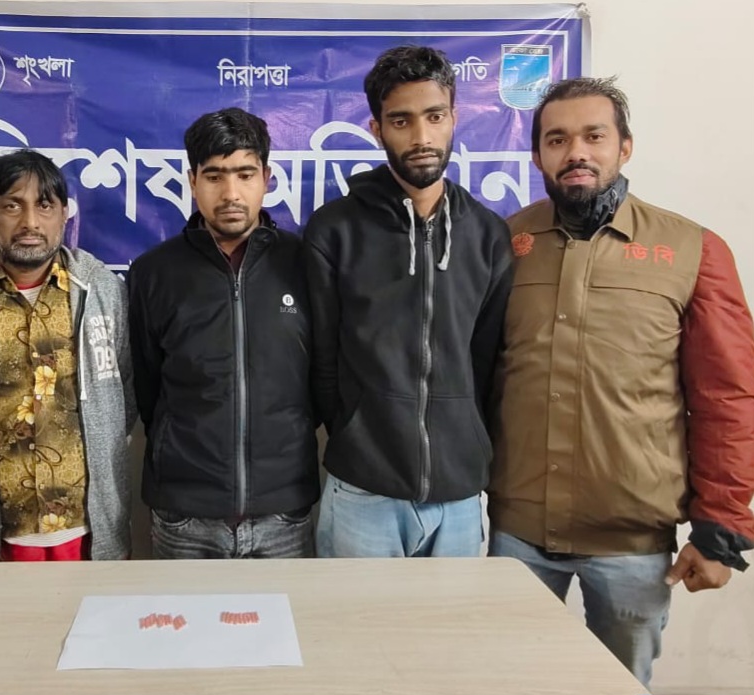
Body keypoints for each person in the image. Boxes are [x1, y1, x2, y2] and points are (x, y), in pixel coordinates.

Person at [488, 76, 754, 687]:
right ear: (538, 155)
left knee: (619, 685)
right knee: (509, 682)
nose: (575, 152)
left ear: (624, 147)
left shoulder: (692, 250)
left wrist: (721, 527)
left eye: (594, 136)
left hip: (633, 545)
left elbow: (727, 397)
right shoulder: (505, 244)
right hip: (517, 535)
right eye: (557, 139)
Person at [303, 45, 513, 558]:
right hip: (363, 489)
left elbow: (487, 361)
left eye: (434, 117)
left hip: (459, 493)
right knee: (358, 616)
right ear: (377, 129)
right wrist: (355, 433)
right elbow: (322, 360)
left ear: (454, 117)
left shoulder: (487, 235)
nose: (421, 137)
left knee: (454, 617)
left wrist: (466, 442)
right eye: (401, 121)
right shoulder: (336, 230)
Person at [0, 149, 134, 562]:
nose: (30, 223)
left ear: (64, 214)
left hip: (87, 532)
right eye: (12, 206)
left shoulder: (104, 293)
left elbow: (126, 395)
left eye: (45, 205)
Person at [128, 107, 319, 559]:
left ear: (266, 178)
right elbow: (147, 388)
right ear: (192, 181)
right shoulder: (154, 273)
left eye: (245, 174)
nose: (230, 193)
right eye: (214, 176)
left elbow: (323, 380)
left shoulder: (306, 264)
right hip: (184, 516)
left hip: (283, 512)